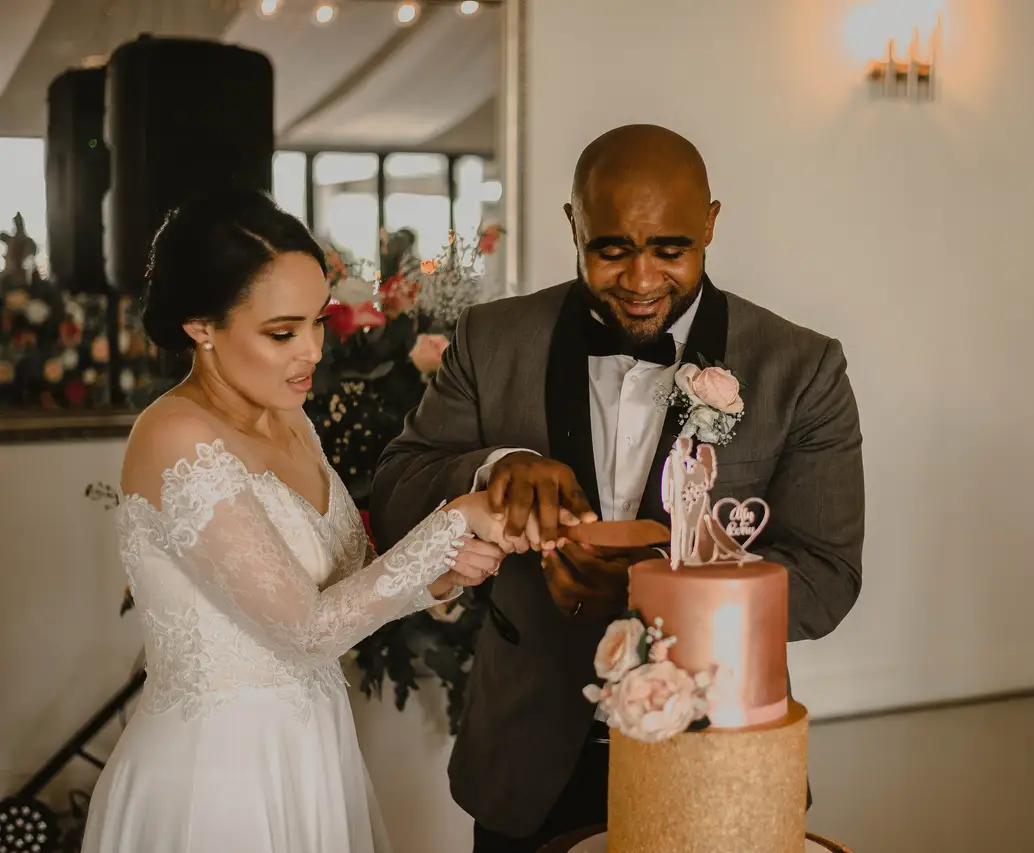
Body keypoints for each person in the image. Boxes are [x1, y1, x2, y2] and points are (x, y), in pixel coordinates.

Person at [371, 124, 865, 852]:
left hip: (719, 751)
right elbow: (394, 490)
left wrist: (655, 586)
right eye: (611, 249)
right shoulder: (492, 338)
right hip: (527, 758)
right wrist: (493, 468)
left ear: (710, 223)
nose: (640, 280)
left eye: (671, 249)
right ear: (574, 224)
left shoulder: (803, 368)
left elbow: (827, 579)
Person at [81, 188, 551, 853]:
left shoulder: (289, 416)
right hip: (217, 778)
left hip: (311, 753)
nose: (312, 352)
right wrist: (449, 523)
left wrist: (443, 573)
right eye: (281, 332)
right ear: (201, 326)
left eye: (318, 322)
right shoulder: (174, 437)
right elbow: (305, 629)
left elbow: (349, 583)